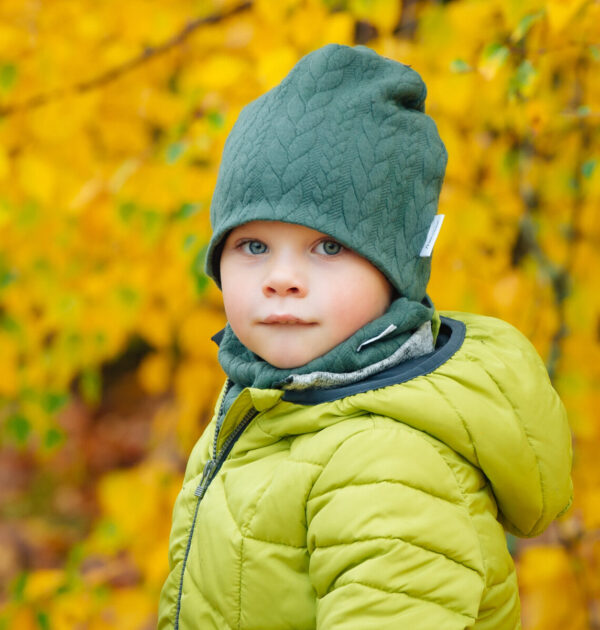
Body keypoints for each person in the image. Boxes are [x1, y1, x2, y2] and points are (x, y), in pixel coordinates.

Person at [158, 44, 572, 629]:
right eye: (253, 246)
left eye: (328, 247)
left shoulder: (388, 465)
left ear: (396, 270)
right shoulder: (271, 403)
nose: (282, 280)